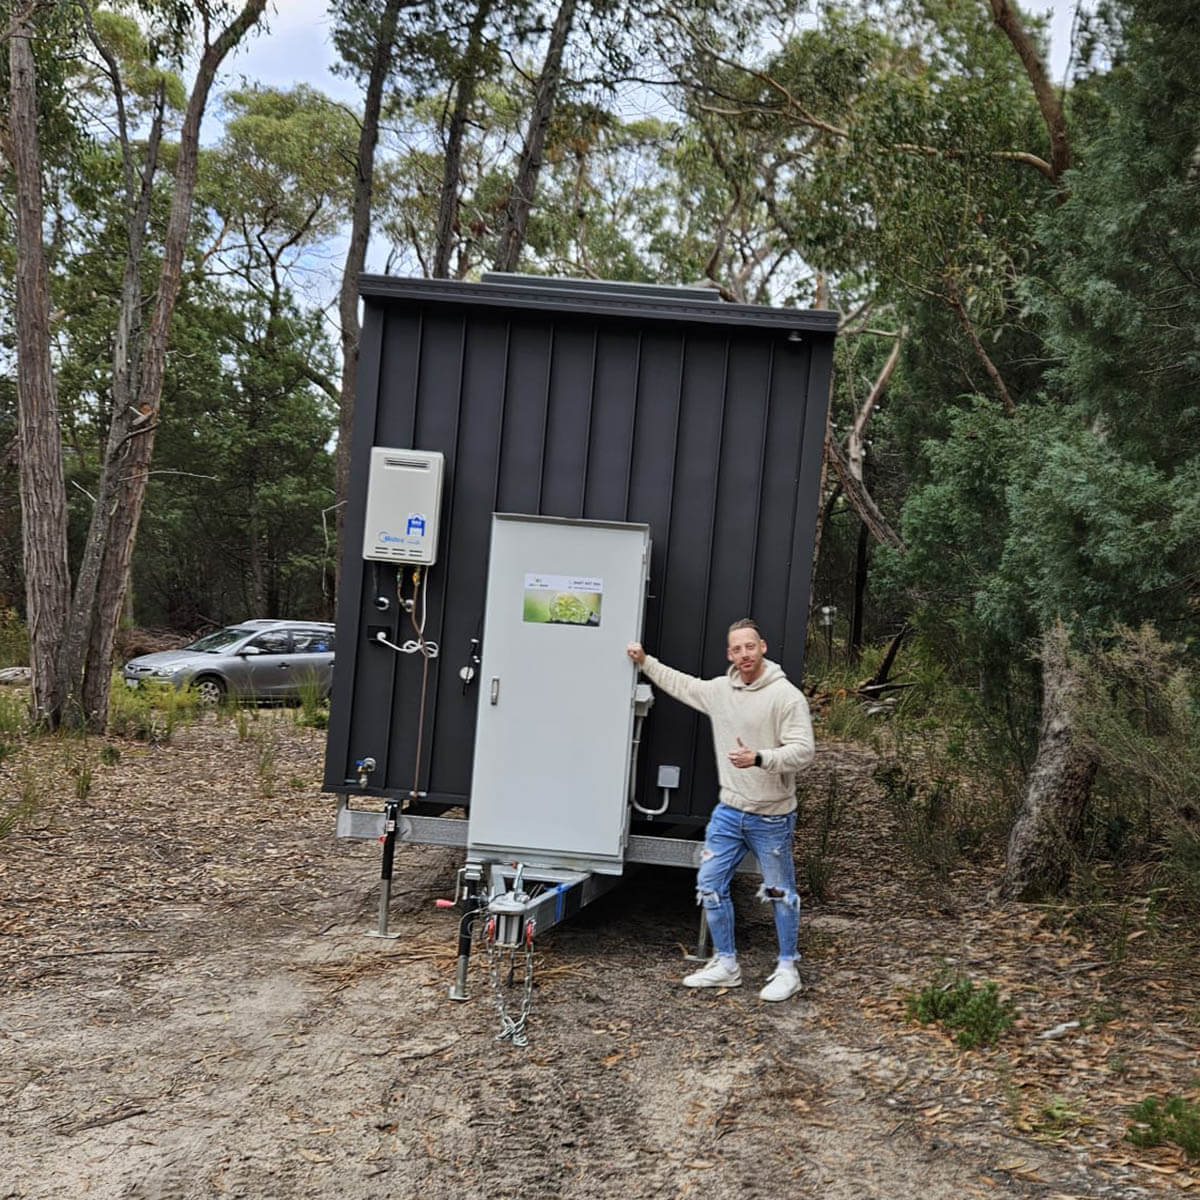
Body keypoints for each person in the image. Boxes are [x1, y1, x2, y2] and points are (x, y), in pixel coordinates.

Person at [626, 619, 814, 1001]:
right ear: (730, 654)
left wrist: (760, 757)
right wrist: (645, 661)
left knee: (779, 892)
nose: (744, 654)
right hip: (729, 811)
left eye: (750, 646)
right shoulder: (719, 691)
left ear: (762, 647)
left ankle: (787, 969)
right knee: (710, 885)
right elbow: (682, 684)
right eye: (737, 649)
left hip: (772, 815)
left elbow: (804, 752)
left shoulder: (786, 696)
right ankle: (726, 964)